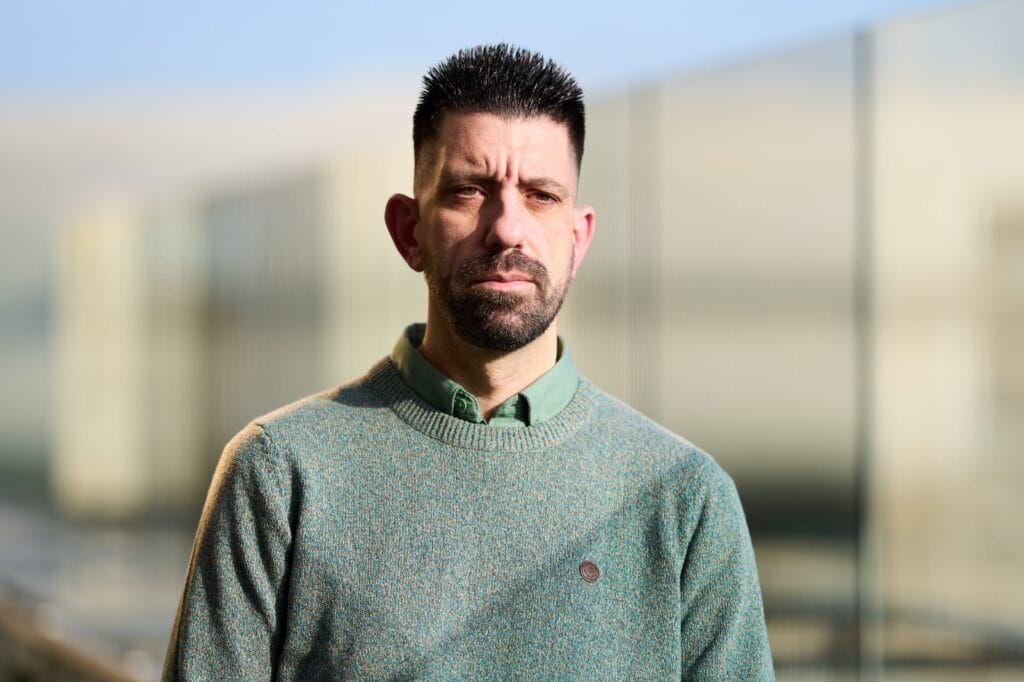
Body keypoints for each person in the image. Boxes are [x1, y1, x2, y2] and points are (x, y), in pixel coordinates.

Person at [163, 44, 773, 680]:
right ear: (409, 230)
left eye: (541, 195)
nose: (507, 228)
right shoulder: (279, 473)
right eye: (469, 191)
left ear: (578, 237)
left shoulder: (685, 498)